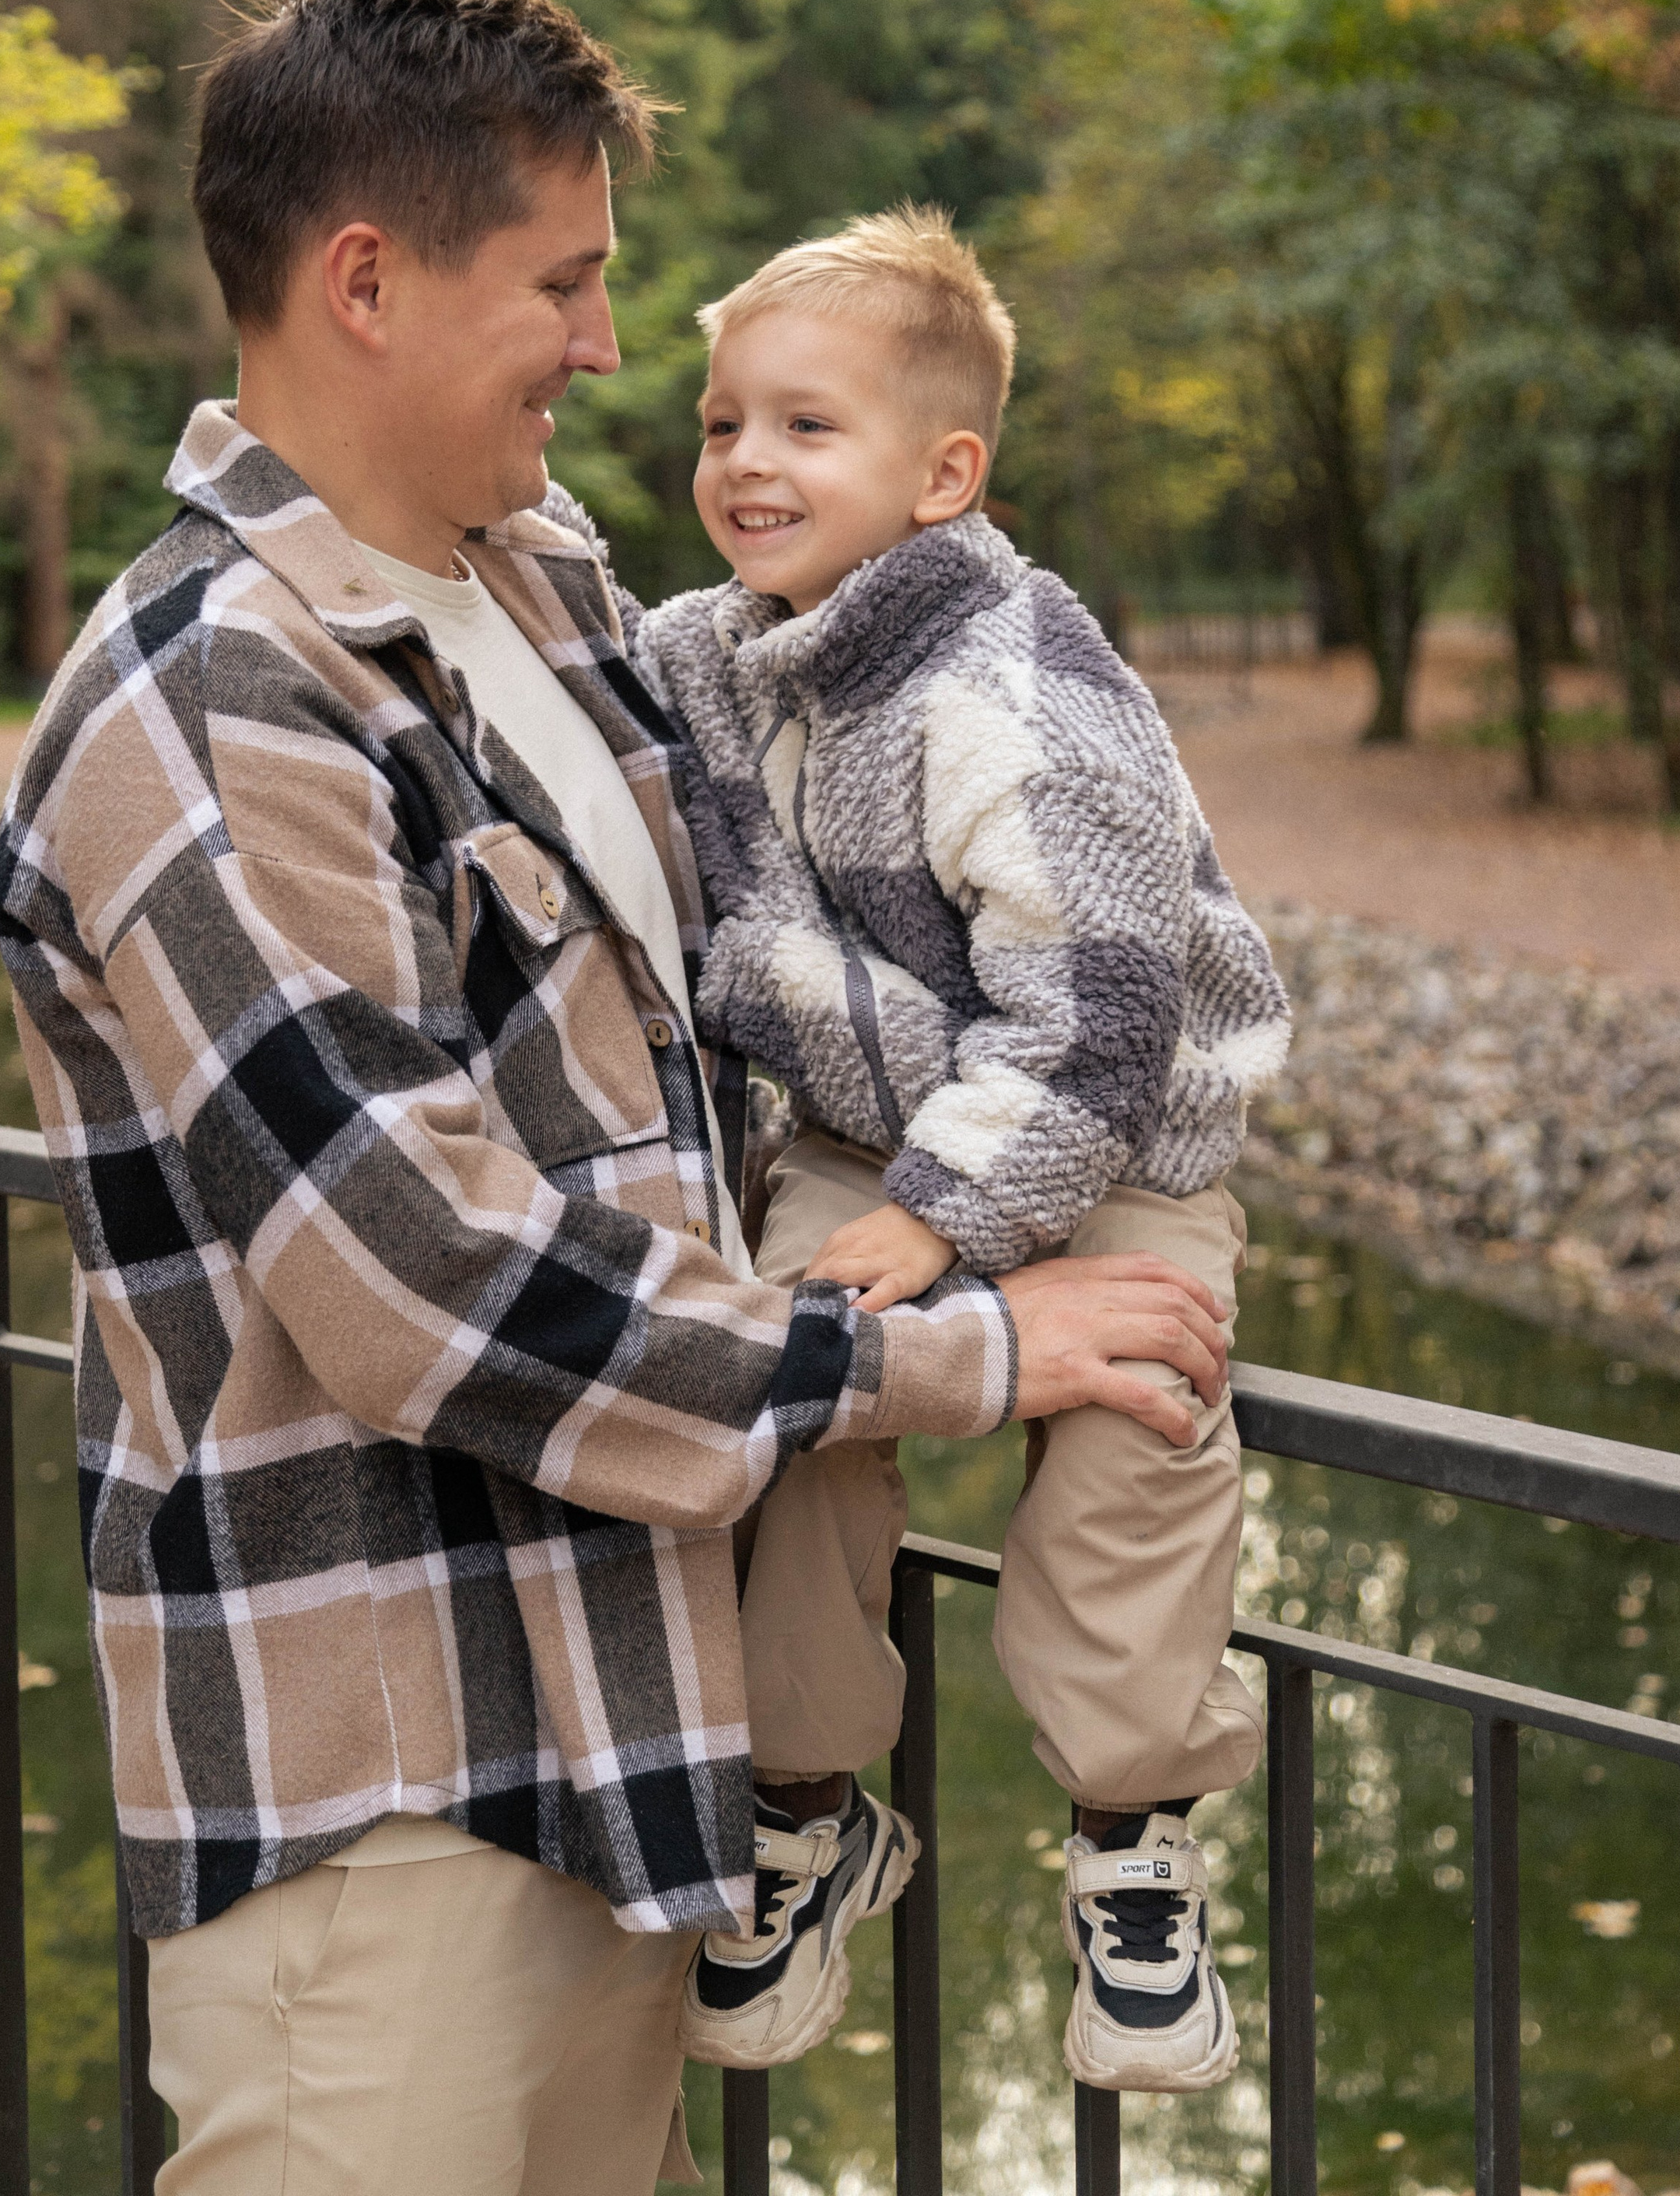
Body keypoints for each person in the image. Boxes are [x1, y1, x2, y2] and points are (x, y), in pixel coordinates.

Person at [0, 0, 1235, 2196]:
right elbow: (439, 1292)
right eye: (563, 284)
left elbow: (781, 971)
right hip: (393, 1830)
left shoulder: (546, 588)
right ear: (366, 280)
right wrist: (966, 1343)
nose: (604, 343)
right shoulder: (210, 710)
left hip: (628, 1755)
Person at [632, 205, 1292, 2096]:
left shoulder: (1013, 683)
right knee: (798, 1364)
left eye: (803, 428)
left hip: (1108, 1132)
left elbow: (1096, 1015)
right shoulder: (717, 655)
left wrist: (945, 1220)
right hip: (873, 1130)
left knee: (1138, 1415)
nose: (746, 463)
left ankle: (1131, 1834)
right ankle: (806, 1800)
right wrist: (892, 1232)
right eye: (720, 421)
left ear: (945, 478)